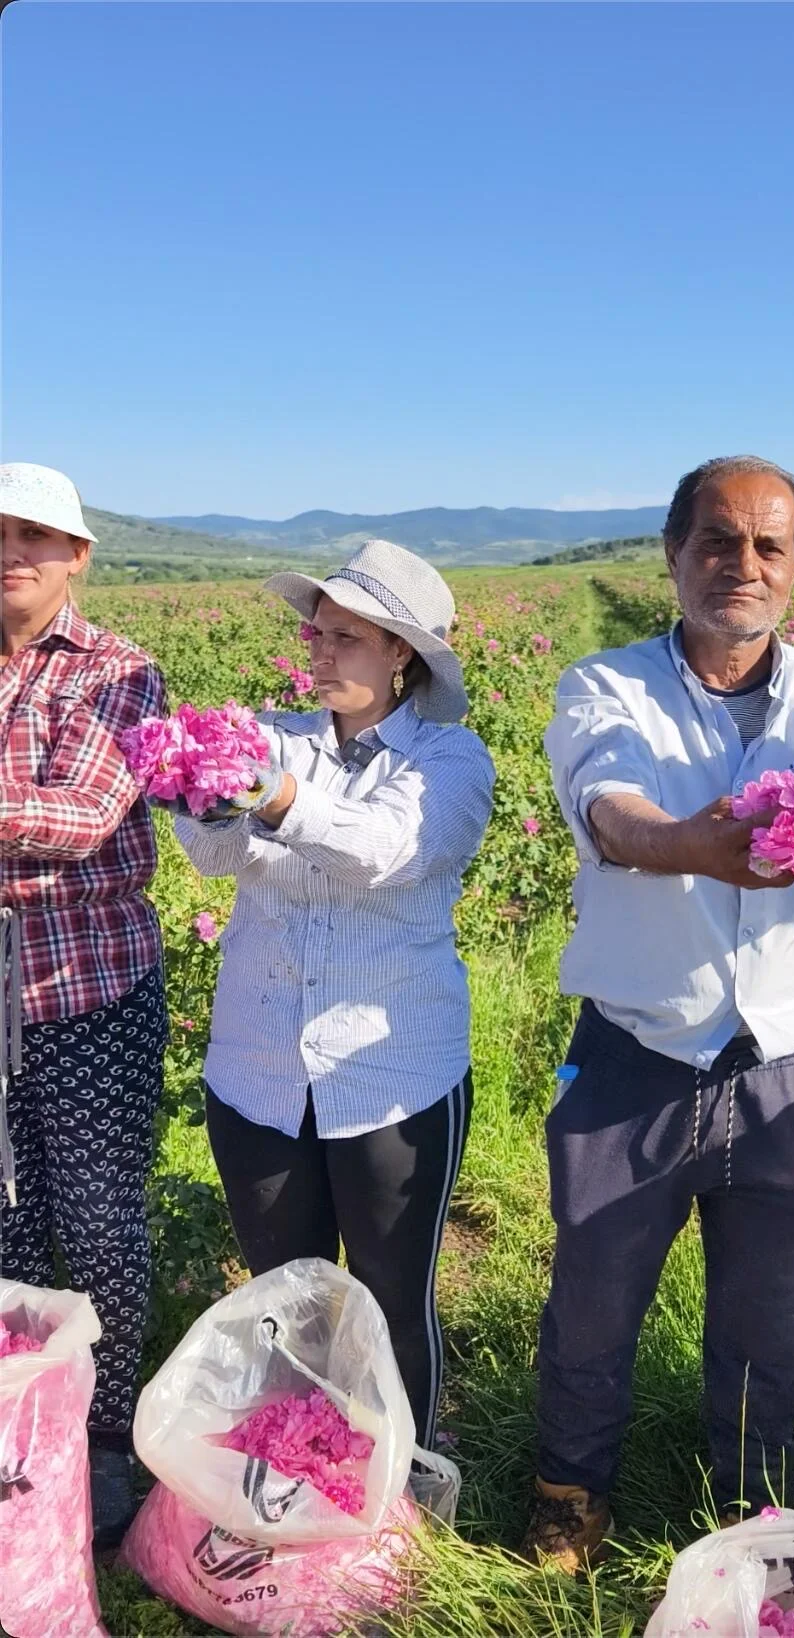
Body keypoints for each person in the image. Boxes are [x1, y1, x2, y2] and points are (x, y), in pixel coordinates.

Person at [524, 455, 794, 1570]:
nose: (739, 565)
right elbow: (609, 805)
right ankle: (569, 1490)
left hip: (789, 1061)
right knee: (595, 1298)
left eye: (768, 545)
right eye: (715, 540)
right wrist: (679, 844)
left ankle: (752, 1523)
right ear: (672, 554)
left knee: (768, 1317)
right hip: (636, 1054)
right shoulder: (604, 685)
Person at [175, 539, 494, 1448]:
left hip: (391, 1077)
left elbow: (382, 852)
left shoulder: (450, 761)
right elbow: (217, 856)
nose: (317, 650)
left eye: (345, 637)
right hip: (258, 1070)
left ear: (403, 653)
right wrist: (199, 795)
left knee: (393, 1294)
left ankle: (409, 1482)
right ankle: (304, 1470)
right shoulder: (275, 737)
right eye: (315, 633)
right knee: (286, 1292)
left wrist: (271, 795)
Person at [0, 462, 169, 1548]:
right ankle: (22, 1423)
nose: (12, 555)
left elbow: (83, 815)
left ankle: (107, 1443)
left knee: (101, 1225)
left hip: (86, 984)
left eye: (34, 539)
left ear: (77, 559)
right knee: (6, 1221)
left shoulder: (119, 671)